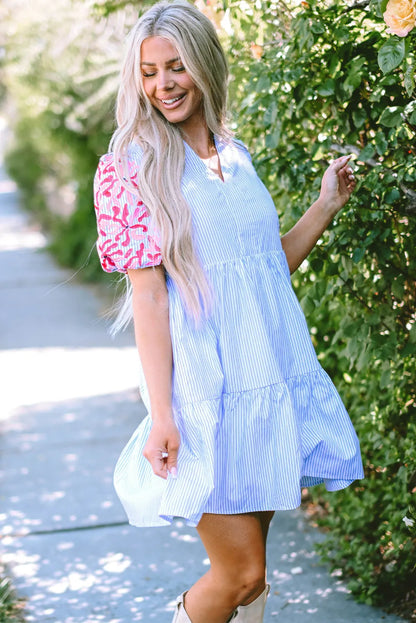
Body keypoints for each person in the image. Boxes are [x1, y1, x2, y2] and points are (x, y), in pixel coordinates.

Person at [93, 2, 364, 621]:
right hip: (204, 393)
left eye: (178, 66)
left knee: (253, 578)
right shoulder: (130, 169)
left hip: (266, 379)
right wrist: (163, 415)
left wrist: (324, 206)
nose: (164, 84)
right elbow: (150, 297)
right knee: (240, 571)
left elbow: (264, 271)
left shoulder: (234, 156)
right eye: (150, 71)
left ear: (205, 65)